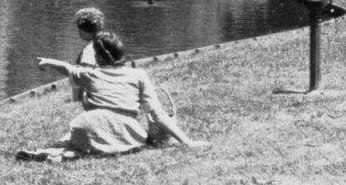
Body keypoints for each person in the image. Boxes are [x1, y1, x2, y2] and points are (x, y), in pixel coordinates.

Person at [16, 29, 207, 162]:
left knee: (75, 141)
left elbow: (67, 68)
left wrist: (47, 61)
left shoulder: (91, 73)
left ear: (98, 58)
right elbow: (157, 113)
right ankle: (67, 155)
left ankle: (49, 152)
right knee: (107, 147)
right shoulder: (138, 75)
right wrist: (187, 141)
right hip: (124, 128)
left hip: (87, 124)